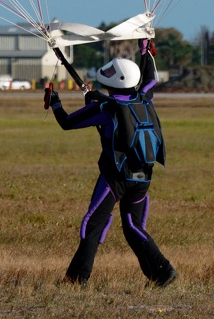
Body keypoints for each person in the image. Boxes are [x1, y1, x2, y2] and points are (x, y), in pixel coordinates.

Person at [47, 43, 176, 288]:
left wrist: (55, 102)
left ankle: (76, 280)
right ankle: (163, 271)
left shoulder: (106, 109)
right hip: (143, 178)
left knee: (92, 224)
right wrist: (145, 50)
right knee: (132, 226)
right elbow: (149, 79)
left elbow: (66, 122)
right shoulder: (145, 98)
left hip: (115, 178)